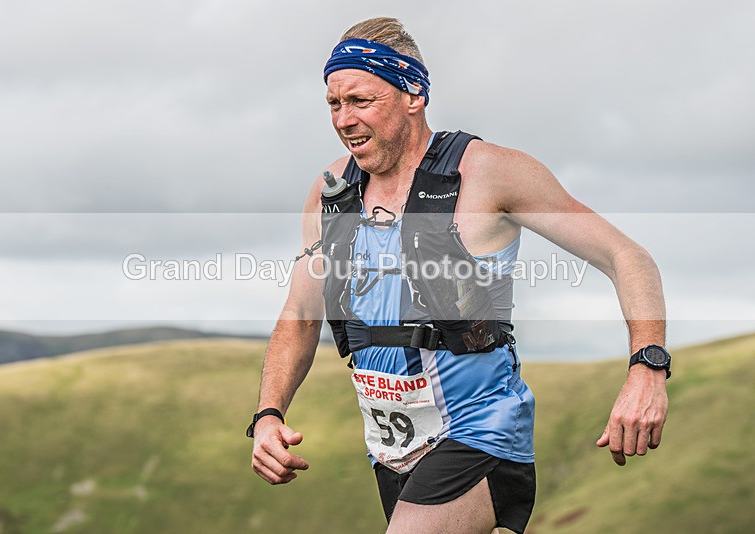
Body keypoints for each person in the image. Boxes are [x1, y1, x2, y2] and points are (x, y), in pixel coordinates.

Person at [248, 17, 669, 534]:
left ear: (413, 94)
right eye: (334, 103)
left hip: (482, 433)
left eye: (360, 101)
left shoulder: (489, 173)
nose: (344, 119)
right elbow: (300, 314)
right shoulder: (331, 192)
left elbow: (626, 257)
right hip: (392, 450)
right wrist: (268, 414)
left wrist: (647, 367)